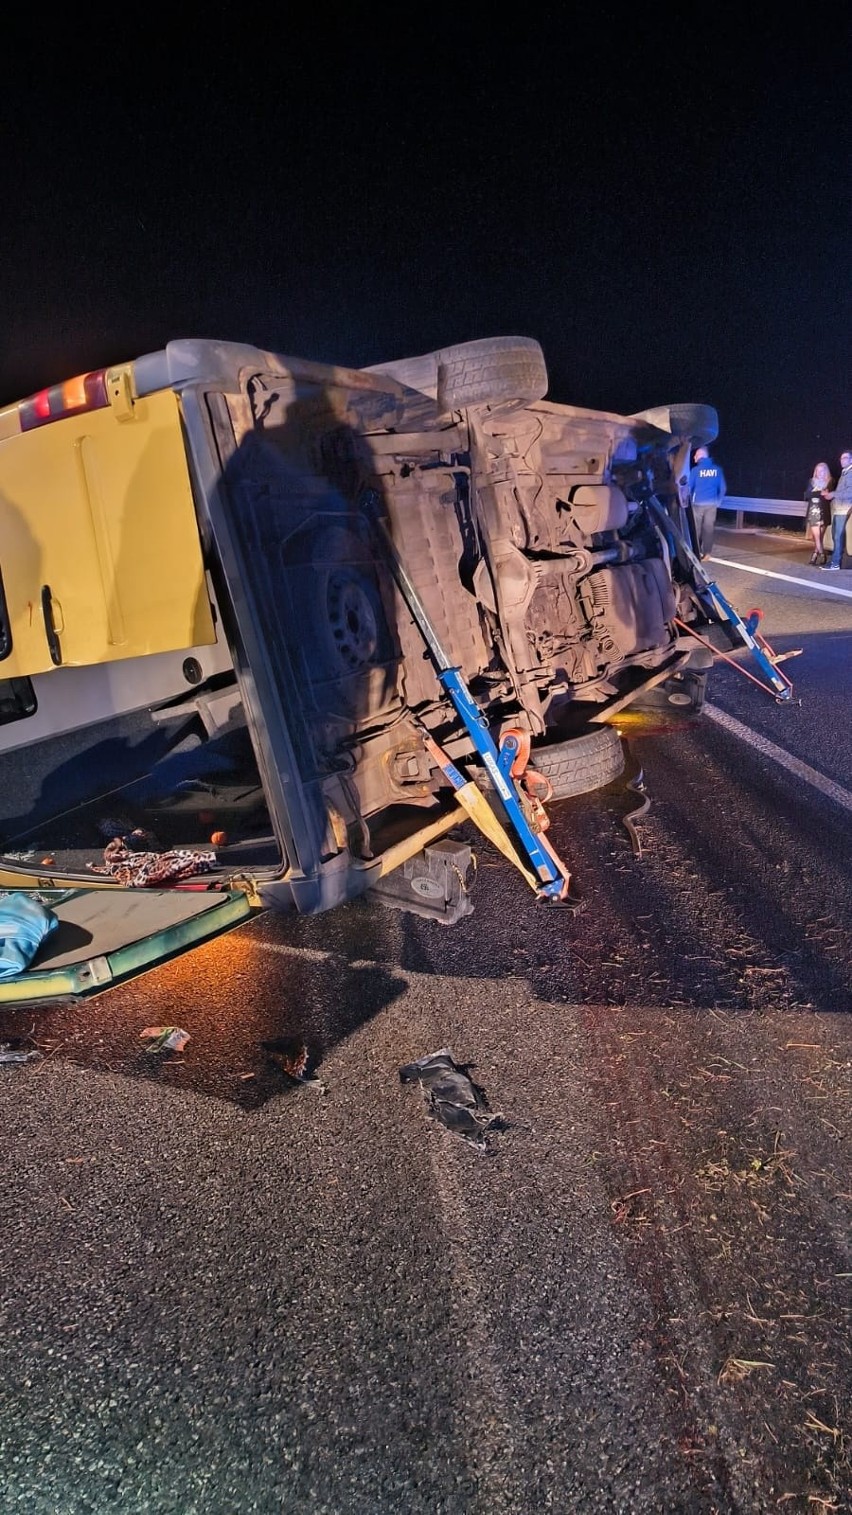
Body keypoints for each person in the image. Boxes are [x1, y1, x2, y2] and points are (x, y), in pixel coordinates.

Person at [687, 445, 727, 558]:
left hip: (698, 504)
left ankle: (695, 552)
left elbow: (689, 488)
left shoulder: (695, 470)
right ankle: (707, 553)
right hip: (712, 504)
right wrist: (718, 502)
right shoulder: (717, 470)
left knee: (696, 529)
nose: (694, 457)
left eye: (695, 455)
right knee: (708, 529)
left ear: (701, 456)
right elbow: (723, 488)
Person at [822, 450, 852, 570]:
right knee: (836, 536)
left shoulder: (850, 473)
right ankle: (835, 561)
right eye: (841, 458)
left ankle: (835, 563)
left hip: (844, 509)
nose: (842, 460)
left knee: (838, 536)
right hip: (839, 508)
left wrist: (833, 494)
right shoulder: (845, 472)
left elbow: (850, 492)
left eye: (845, 458)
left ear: (851, 460)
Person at [803, 461, 833, 565]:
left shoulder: (830, 481)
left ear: (826, 471)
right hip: (813, 511)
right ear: (815, 471)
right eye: (818, 470)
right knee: (816, 536)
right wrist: (820, 492)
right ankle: (822, 553)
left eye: (822, 470)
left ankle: (815, 554)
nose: (820, 473)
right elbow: (807, 495)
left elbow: (829, 496)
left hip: (824, 511)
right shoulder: (811, 481)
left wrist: (815, 493)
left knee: (819, 537)